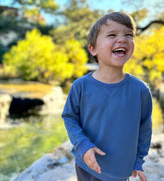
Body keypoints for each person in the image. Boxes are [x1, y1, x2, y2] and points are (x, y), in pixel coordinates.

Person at [62, 12, 152, 181]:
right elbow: (69, 117)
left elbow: (145, 129)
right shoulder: (80, 86)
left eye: (129, 35)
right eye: (112, 34)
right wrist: (83, 145)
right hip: (87, 166)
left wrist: (138, 161)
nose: (123, 39)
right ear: (93, 48)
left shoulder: (140, 90)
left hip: (120, 171)